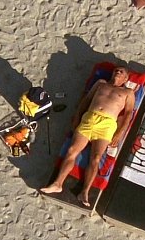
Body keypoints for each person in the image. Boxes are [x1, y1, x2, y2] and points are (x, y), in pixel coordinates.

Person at [41, 66, 135, 207]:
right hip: (89, 119)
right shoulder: (101, 83)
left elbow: (128, 114)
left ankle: (84, 192)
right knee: (72, 150)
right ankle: (57, 183)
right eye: (116, 70)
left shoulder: (128, 92)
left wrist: (119, 133)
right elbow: (86, 99)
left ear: (126, 78)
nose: (118, 71)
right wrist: (77, 115)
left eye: (121, 71)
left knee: (95, 158)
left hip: (107, 125)